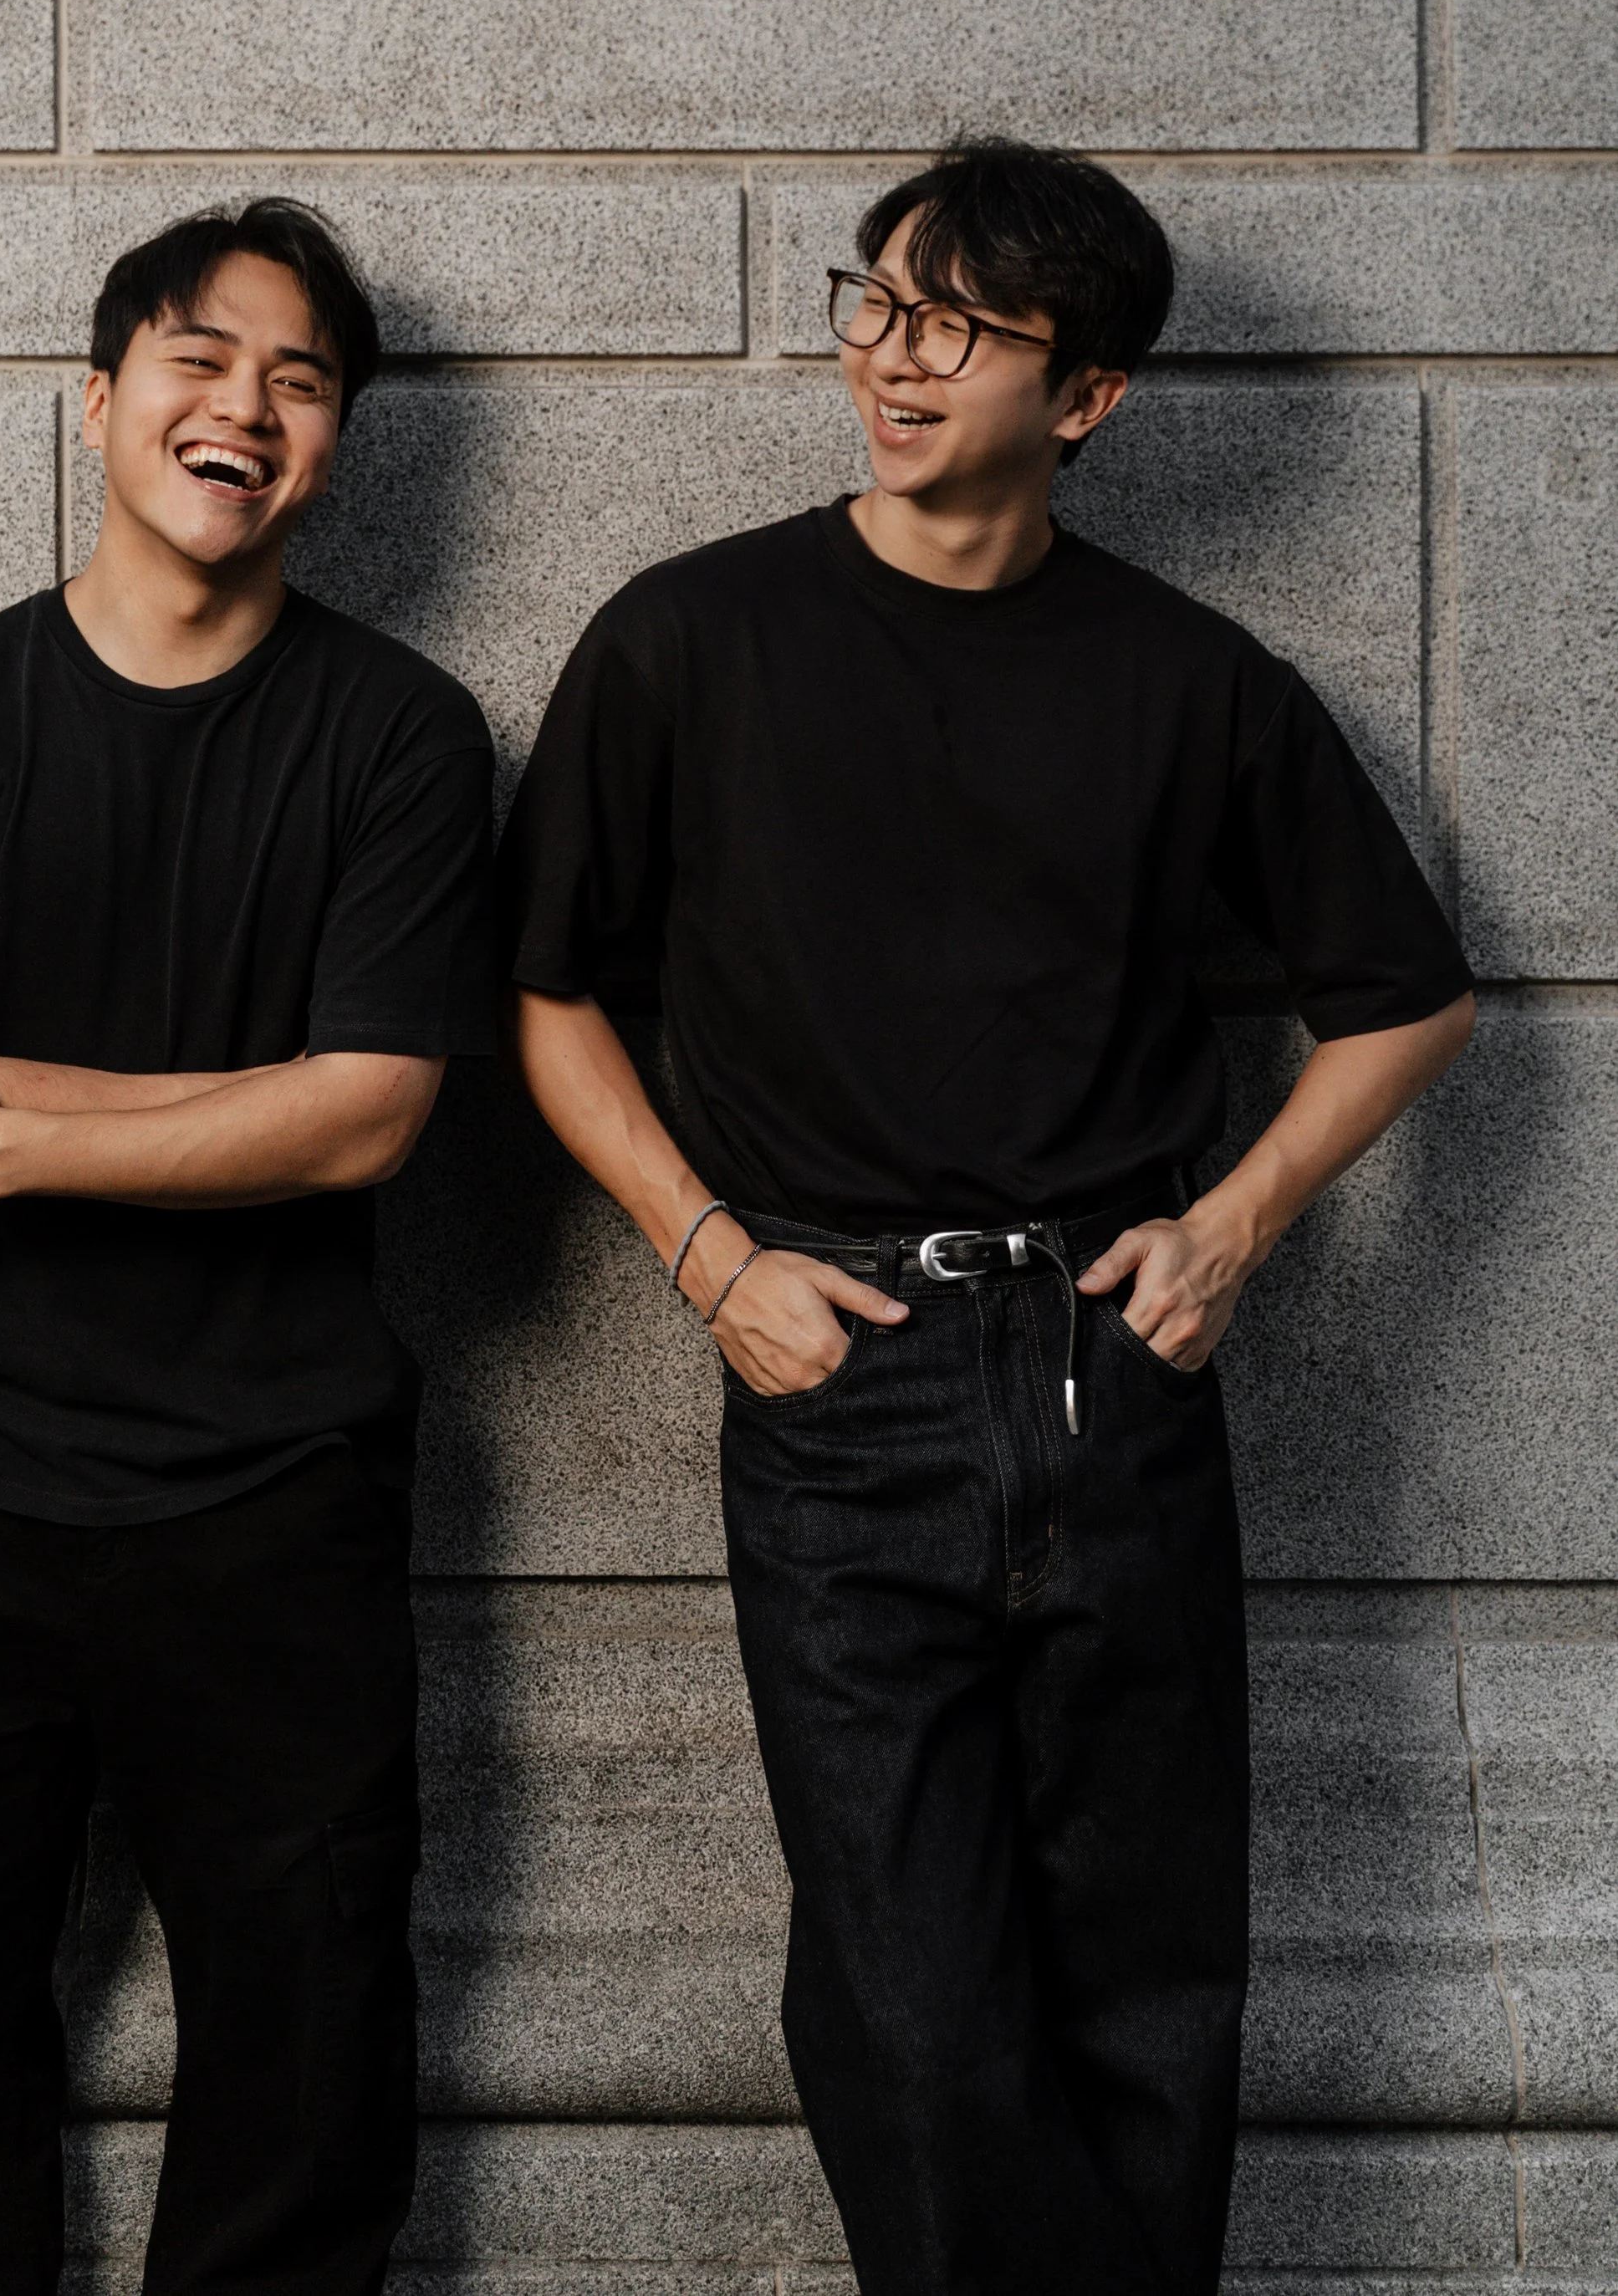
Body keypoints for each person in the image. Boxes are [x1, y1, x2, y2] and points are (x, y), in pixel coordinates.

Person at [498, 140, 1474, 2296]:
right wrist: (705, 1257)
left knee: (1145, 1989)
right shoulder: (687, 636)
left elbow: (1404, 1000)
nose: (892, 354)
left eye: (960, 324)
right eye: (876, 300)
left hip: (1112, 1378)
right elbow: (542, 994)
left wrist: (1231, 1228)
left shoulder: (1186, 679)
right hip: (838, 1378)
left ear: (1087, 395)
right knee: (911, 1997)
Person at [0, 202, 495, 2296]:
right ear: (102, 401)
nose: (248, 408)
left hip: (276, 1495)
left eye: (300, 384)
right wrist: (232, 1113)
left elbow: (372, 1114)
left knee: (304, 2062)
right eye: (202, 361)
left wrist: (20, 1128)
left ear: (332, 450)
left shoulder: (398, 735)